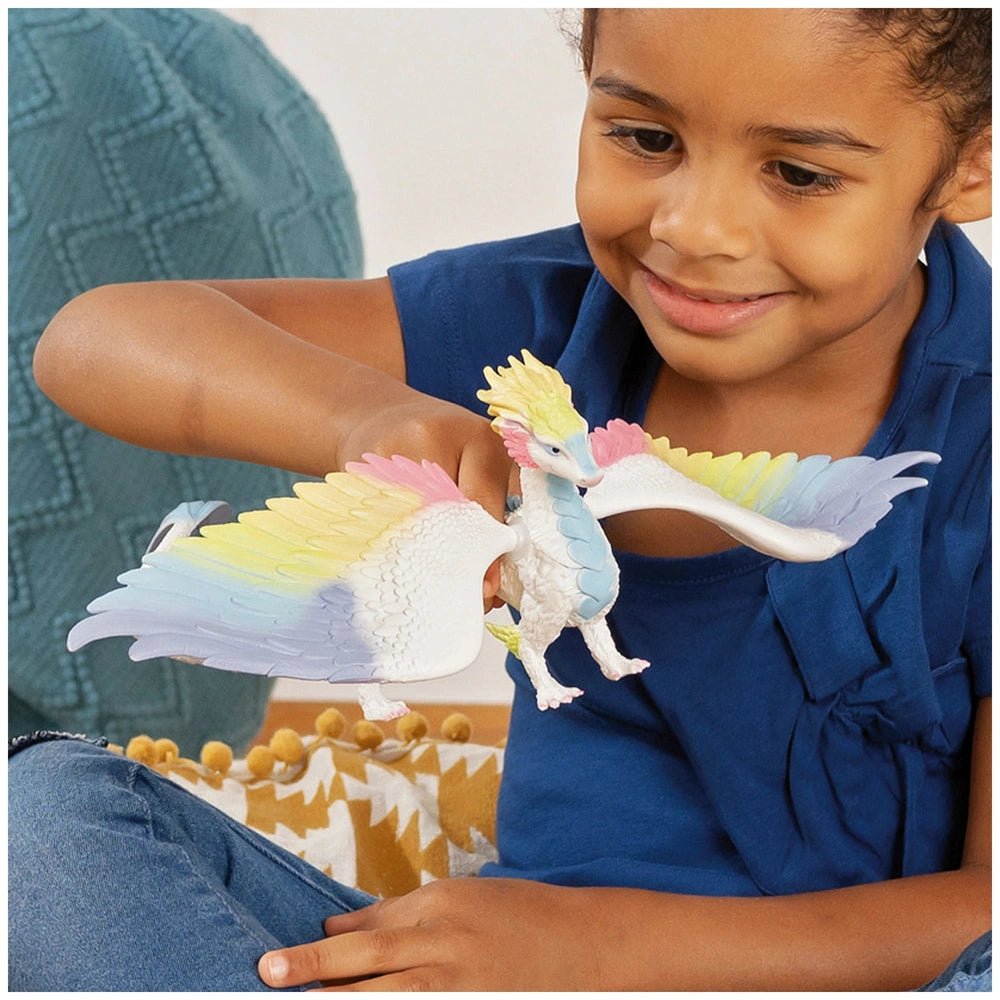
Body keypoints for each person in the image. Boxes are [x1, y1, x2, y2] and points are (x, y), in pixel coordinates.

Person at [10, 8, 990, 991]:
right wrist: (369, 420)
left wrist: (592, 951)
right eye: (646, 138)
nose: (692, 228)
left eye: (799, 174)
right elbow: (95, 339)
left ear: (969, 163)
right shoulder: (544, 326)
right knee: (42, 820)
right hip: (496, 966)